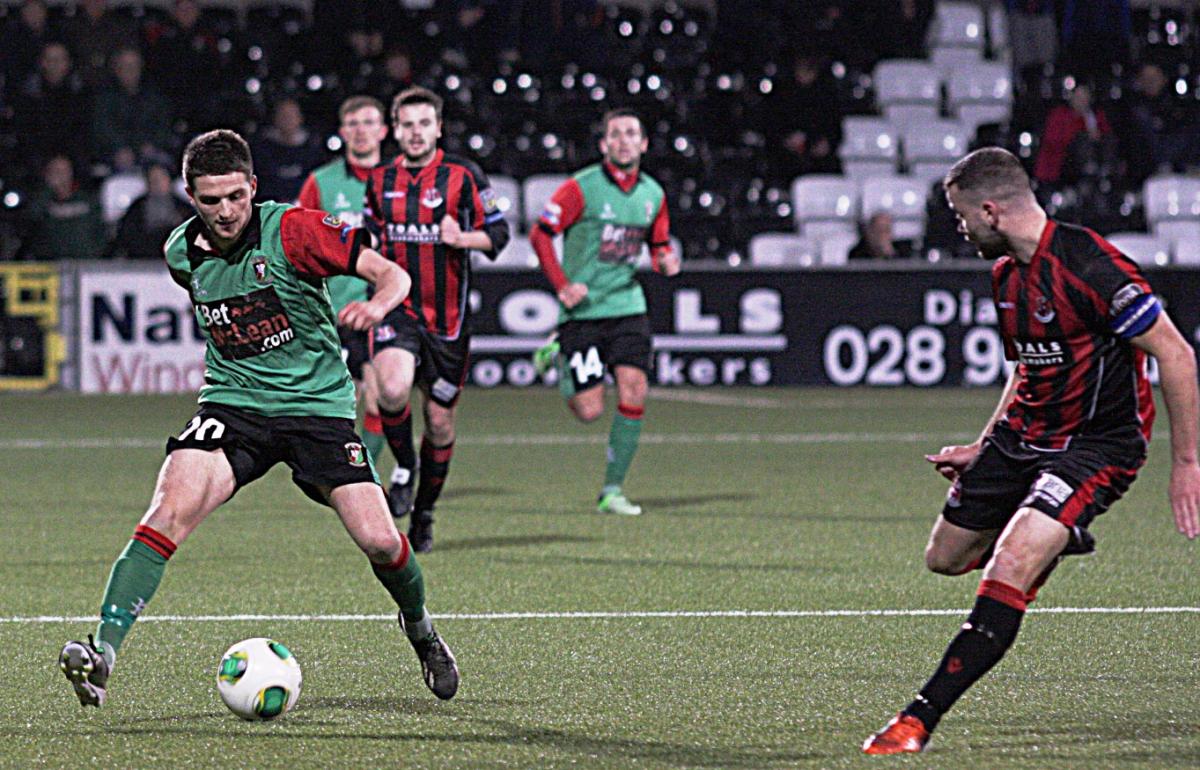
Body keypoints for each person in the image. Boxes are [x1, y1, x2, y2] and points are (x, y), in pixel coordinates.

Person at [58, 129, 459, 709]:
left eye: (235, 197)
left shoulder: (295, 230)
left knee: (379, 539)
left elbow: (392, 275)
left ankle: (420, 628)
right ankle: (102, 654)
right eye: (210, 200)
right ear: (190, 197)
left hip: (315, 408)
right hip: (234, 404)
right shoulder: (181, 252)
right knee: (167, 511)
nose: (225, 211)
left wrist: (376, 305)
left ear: (253, 186)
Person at [863, 147, 1200, 754]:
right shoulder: (1006, 276)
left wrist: (1186, 464)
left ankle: (917, 720)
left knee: (1012, 562)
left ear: (991, 211)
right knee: (944, 557)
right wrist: (983, 445)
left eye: (962, 216)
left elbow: (1175, 353)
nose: (960, 228)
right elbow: (1024, 367)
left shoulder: (1090, 265)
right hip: (1023, 437)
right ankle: (1055, 531)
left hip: (1096, 445)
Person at [364, 86, 510, 551]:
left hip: (447, 322)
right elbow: (369, 237)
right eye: (407, 124)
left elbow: (499, 233)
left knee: (440, 423)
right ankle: (405, 467)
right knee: (390, 389)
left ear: (438, 128)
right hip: (397, 308)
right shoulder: (379, 180)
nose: (416, 132)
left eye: (424, 124)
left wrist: (461, 238)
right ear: (395, 129)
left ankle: (424, 513)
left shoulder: (464, 175)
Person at [531, 108, 680, 516]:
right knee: (589, 411)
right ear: (603, 145)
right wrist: (563, 286)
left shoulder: (653, 194)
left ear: (644, 144)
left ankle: (612, 491)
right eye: (615, 134)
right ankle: (559, 352)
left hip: (628, 305)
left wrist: (665, 260)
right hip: (584, 310)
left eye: (631, 133)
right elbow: (540, 234)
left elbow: (659, 244)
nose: (623, 140)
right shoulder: (581, 188)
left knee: (634, 390)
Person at [298, 95, 391, 468]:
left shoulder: (401, 181)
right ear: (342, 132)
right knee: (339, 403)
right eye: (353, 124)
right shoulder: (322, 182)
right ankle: (343, 472)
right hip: (337, 308)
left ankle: (364, 474)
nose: (361, 131)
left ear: (383, 131)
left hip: (385, 307)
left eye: (369, 123)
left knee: (381, 398)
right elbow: (299, 240)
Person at [19, 155, 106, 260]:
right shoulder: (42, 199)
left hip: (85, 261)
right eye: (55, 171)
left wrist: (95, 252)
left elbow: (100, 229)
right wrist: (48, 190)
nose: (60, 175)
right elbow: (32, 219)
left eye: (64, 171)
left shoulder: (87, 200)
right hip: (51, 262)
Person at [1033, 83, 1113, 185]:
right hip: (1059, 169)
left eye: (1085, 98)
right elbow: (1054, 141)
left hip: (1086, 170)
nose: (1082, 102)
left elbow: (1106, 137)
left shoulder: (1094, 117)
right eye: (1079, 97)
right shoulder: (1059, 115)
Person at [251, 98, 328, 204]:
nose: (288, 120)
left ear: (300, 118)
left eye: (291, 116)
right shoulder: (261, 148)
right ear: (275, 118)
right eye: (283, 116)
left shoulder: (313, 147)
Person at [109, 162, 192, 259]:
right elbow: (126, 235)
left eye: (160, 179)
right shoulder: (137, 207)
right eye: (152, 179)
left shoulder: (184, 208)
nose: (156, 183)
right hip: (143, 260)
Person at [847, 211, 912, 260]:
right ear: (870, 232)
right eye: (879, 230)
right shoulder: (857, 252)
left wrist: (890, 254)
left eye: (886, 230)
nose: (883, 235)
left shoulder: (901, 250)